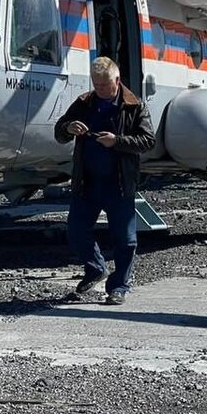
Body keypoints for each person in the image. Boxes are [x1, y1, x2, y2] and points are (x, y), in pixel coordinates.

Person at [54, 56, 155, 304]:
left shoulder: (134, 106)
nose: (99, 89)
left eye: (104, 85)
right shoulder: (84, 103)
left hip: (119, 183)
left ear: (117, 80)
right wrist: (69, 128)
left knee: (125, 239)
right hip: (86, 181)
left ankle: (119, 286)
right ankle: (95, 268)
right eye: (95, 84)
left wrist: (117, 141)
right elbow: (59, 132)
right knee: (76, 230)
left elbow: (148, 140)